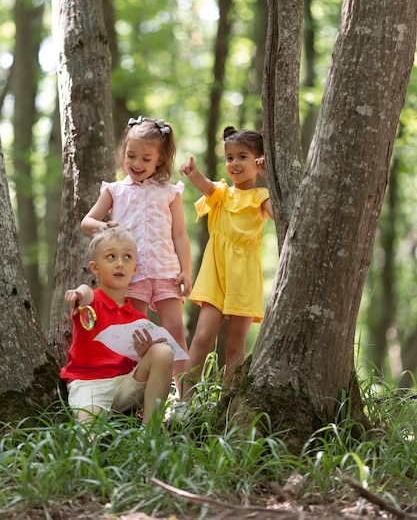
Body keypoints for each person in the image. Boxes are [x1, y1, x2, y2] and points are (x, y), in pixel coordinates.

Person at [80, 115, 191, 395]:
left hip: (166, 270)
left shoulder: (170, 193)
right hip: (132, 275)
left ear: (160, 161)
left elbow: (180, 234)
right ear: (123, 154)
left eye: (146, 158)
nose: (137, 164)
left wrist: (186, 271)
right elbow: (87, 222)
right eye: (131, 156)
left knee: (176, 330)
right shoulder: (115, 191)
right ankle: (138, 394)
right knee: (136, 334)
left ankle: (186, 397)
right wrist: (106, 226)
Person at [179, 125, 273, 400]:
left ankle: (227, 404)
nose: (234, 163)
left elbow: (282, 215)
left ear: (258, 162)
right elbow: (205, 186)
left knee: (234, 346)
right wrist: (192, 172)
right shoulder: (221, 193)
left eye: (242, 157)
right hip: (216, 273)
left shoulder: (261, 197)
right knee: (202, 338)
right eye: (229, 157)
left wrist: (270, 177)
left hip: (244, 276)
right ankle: (184, 402)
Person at [61, 226, 174, 425]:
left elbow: (144, 364)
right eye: (111, 257)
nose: (120, 264)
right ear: (95, 268)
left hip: (125, 386)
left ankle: (150, 433)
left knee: (163, 352)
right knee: (89, 436)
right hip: (90, 386)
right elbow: (84, 292)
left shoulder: (139, 320)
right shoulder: (91, 301)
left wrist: (144, 354)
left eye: (127, 257)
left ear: (135, 269)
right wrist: (77, 294)